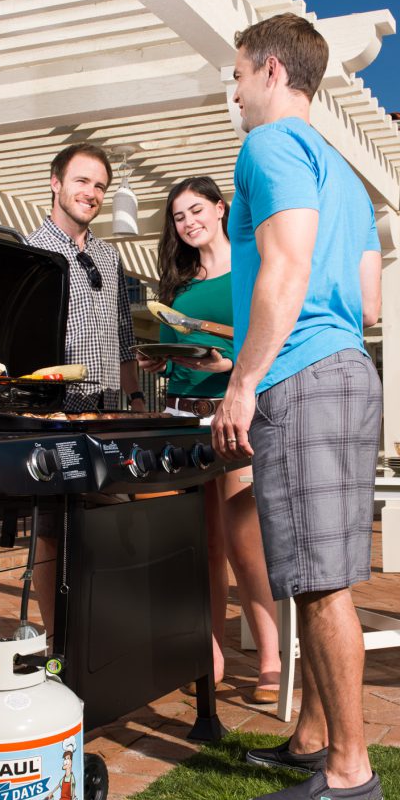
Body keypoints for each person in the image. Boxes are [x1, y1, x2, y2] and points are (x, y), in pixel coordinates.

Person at [211, 13, 384, 800]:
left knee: (317, 584)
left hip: (302, 372)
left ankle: (349, 772)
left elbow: (287, 262)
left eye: (239, 73)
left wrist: (244, 381)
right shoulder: (342, 169)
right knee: (324, 572)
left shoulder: (269, 146)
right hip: (348, 365)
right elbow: (372, 300)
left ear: (273, 71)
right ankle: (314, 737)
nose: (234, 90)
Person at [138, 175, 281, 702]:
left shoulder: (252, 266)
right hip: (182, 414)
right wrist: (158, 358)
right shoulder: (175, 287)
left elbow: (270, 336)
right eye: (178, 217)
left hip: (234, 414)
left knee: (247, 546)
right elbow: (178, 353)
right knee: (203, 546)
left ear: (220, 209)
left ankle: (269, 657)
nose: (188, 222)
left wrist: (235, 364)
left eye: (196, 210)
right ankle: (210, 651)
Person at [27, 142, 145, 633]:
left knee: (107, 526)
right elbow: (23, 343)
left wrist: (135, 400)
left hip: (103, 411)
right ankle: (58, 639)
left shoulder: (108, 256)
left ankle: (99, 632)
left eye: (99, 186)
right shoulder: (30, 252)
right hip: (52, 411)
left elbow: (124, 337)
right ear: (56, 183)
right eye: (82, 181)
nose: (91, 193)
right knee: (52, 532)